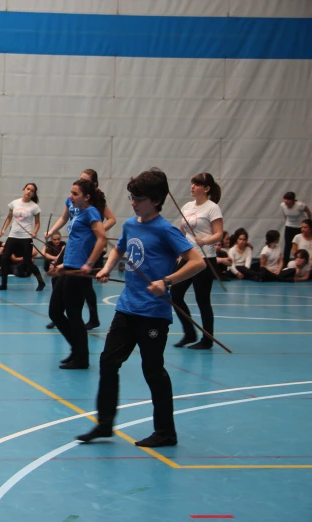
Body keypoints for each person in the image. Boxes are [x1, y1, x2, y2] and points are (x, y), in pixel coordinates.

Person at [77, 168, 205, 448]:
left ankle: (165, 432)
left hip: (153, 315)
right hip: (127, 308)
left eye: (139, 198)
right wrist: (108, 268)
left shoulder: (166, 230)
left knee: (153, 370)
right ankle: (105, 424)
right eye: (131, 197)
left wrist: (166, 281)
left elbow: (198, 262)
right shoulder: (131, 225)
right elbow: (119, 249)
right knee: (108, 362)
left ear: (157, 201)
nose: (133, 202)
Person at [49, 179, 107, 369]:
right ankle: (77, 350)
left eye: (75, 194)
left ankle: (81, 357)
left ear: (87, 197)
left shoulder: (91, 213)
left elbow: (102, 239)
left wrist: (89, 263)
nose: (70, 196)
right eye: (70, 192)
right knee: (55, 312)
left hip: (79, 272)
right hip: (69, 267)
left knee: (73, 315)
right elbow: (76, 241)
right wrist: (63, 263)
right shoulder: (77, 212)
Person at [171, 172, 223, 350]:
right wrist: (177, 249)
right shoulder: (186, 206)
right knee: (175, 295)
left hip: (205, 258)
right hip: (188, 257)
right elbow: (181, 231)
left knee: (202, 299)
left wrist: (205, 241)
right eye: (192, 183)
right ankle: (189, 333)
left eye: (197, 184)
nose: (192, 186)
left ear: (206, 188)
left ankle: (207, 339)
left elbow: (219, 234)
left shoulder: (212, 207)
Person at [0, 183, 46, 291]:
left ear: (33, 194)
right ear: (23, 189)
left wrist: (35, 232)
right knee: (4, 259)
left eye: (32, 191)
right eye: (28, 189)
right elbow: (9, 218)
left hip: (26, 237)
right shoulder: (14, 203)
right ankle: (3, 284)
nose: (29, 192)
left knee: (27, 261)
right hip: (13, 236)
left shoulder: (34, 207)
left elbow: (37, 223)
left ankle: (41, 282)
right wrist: (3, 230)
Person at [280, 192, 311, 265]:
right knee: (287, 246)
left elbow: (309, 213)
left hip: (300, 227)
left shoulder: (300, 205)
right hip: (289, 227)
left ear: (293, 200)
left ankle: (302, 261)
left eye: (288, 200)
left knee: (300, 244)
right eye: (285, 200)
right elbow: (285, 215)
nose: (286, 202)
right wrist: (288, 223)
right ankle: (285, 264)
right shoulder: (282, 205)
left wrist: (309, 223)